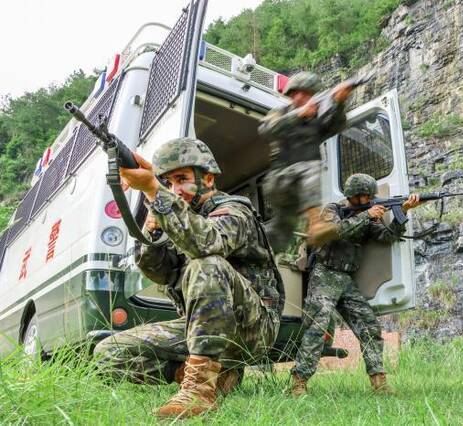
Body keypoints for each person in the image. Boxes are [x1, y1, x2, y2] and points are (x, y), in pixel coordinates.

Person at [94, 137, 283, 418]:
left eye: (181, 179)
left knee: (206, 263)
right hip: (201, 329)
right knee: (107, 353)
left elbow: (207, 244)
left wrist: (156, 192)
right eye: (168, 183)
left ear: (207, 178)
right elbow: (158, 271)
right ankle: (212, 376)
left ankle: (198, 392)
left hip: (253, 328)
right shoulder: (177, 216)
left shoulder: (234, 210)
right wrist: (154, 228)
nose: (175, 189)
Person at [289, 173, 423, 396]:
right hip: (325, 274)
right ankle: (298, 383)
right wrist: (367, 215)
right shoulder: (333, 210)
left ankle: (379, 383)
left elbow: (387, 237)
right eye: (365, 196)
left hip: (346, 279)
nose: (368, 199)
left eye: (370, 197)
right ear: (355, 196)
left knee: (369, 325)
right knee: (317, 325)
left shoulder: (368, 214)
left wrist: (404, 212)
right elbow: (335, 232)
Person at [259, 71, 355, 252]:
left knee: (282, 230)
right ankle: (316, 224)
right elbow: (267, 130)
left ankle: (260, 254)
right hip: (278, 181)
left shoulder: (315, 121)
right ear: (291, 94)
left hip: (296, 190)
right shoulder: (280, 113)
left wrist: (339, 102)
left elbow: (337, 126)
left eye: (307, 93)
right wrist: (299, 114)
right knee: (311, 163)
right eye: (297, 93)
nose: (301, 97)